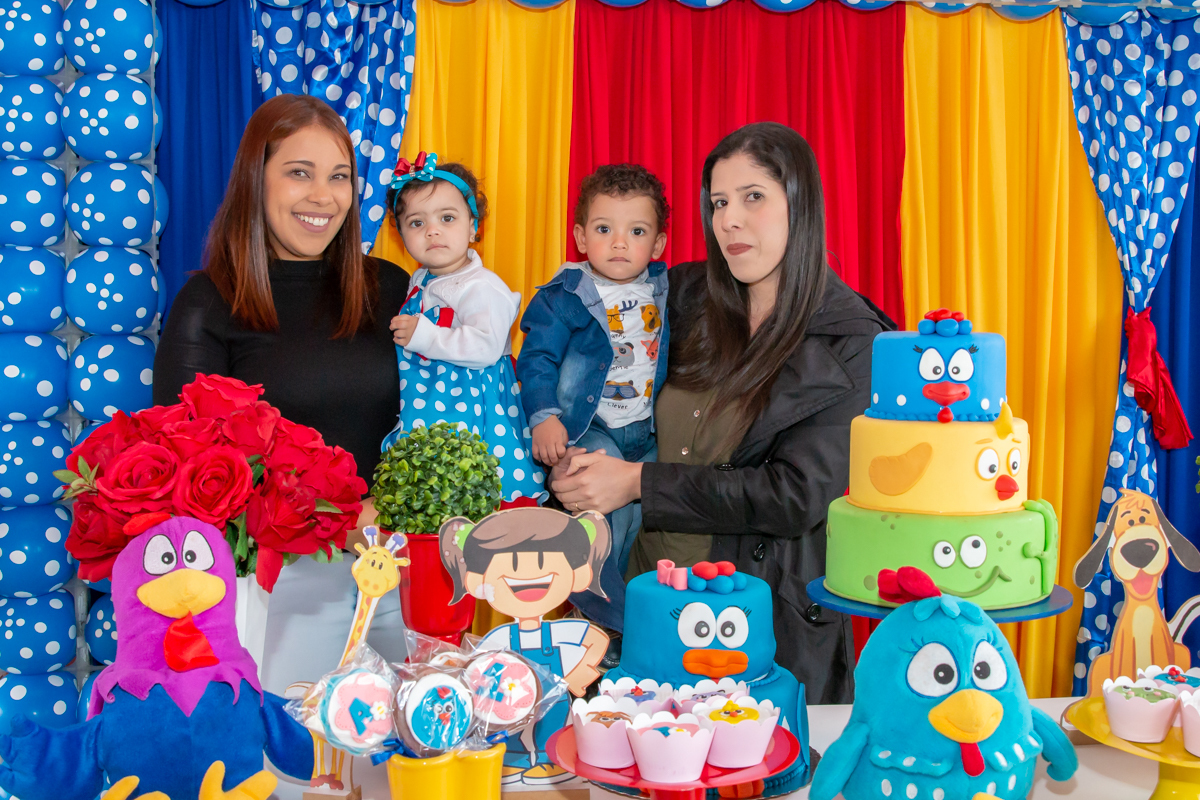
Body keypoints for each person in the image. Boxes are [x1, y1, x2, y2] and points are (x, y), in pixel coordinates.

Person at [549, 122, 894, 704]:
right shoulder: (680, 298)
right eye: (718, 202)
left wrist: (635, 483)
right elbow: (573, 347)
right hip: (640, 620)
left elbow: (795, 496)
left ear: (800, 204)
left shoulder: (852, 340)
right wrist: (570, 452)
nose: (729, 219)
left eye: (752, 197)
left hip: (762, 638)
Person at [154, 95, 410, 507]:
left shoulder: (394, 288)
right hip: (270, 568)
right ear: (255, 179)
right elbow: (190, 478)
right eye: (299, 173)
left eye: (339, 176)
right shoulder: (207, 304)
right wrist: (340, 522)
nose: (323, 196)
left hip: (397, 557)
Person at [516, 164, 670, 632]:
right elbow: (536, 359)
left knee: (644, 524)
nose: (619, 243)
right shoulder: (565, 295)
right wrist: (544, 417)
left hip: (647, 432)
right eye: (605, 229)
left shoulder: (667, 291)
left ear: (658, 244)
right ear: (581, 236)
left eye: (636, 231)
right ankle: (624, 623)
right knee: (602, 524)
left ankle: (608, 624)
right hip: (589, 429)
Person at [383, 152, 546, 505]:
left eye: (447, 218)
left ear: (473, 227)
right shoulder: (423, 279)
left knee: (470, 479)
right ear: (401, 235)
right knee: (430, 479)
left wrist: (424, 335)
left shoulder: (481, 286)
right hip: (431, 402)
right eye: (416, 223)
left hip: (472, 404)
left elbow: (486, 346)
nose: (433, 231)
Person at [439, 508, 611, 783]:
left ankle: (548, 757)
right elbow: (478, 661)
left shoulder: (559, 631)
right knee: (507, 726)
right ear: (477, 582)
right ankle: (512, 758)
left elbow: (597, 639)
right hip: (508, 701)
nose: (529, 576)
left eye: (544, 563)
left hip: (554, 696)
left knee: (554, 721)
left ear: (578, 574)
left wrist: (579, 674)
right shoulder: (502, 636)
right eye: (514, 567)